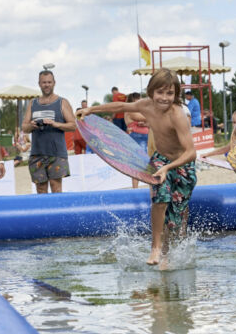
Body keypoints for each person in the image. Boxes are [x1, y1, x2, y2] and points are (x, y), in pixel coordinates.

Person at [78, 68, 197, 268]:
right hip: (160, 159)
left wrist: (169, 168)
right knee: (160, 198)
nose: (164, 98)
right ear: (151, 91)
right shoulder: (146, 105)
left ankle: (166, 254)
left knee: (174, 219)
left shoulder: (177, 115)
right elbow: (121, 105)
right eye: (160, 92)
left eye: (170, 93)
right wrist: (91, 110)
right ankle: (155, 248)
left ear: (176, 93)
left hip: (182, 164)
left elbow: (191, 152)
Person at [22, 70, 76, 194]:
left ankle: (58, 208)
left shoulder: (62, 102)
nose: (46, 85)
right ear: (39, 84)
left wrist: (55, 124)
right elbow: (24, 127)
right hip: (37, 154)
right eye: (44, 82)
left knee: (56, 188)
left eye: (49, 82)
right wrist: (31, 125)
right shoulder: (33, 103)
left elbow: (73, 126)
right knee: (40, 190)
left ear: (54, 83)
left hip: (56, 153)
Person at [125, 92, 149, 189]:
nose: (140, 101)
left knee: (142, 165)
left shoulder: (135, 110)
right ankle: (135, 188)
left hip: (142, 137)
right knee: (138, 165)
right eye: (139, 99)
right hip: (137, 138)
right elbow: (146, 117)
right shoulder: (130, 110)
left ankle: (136, 188)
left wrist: (146, 123)